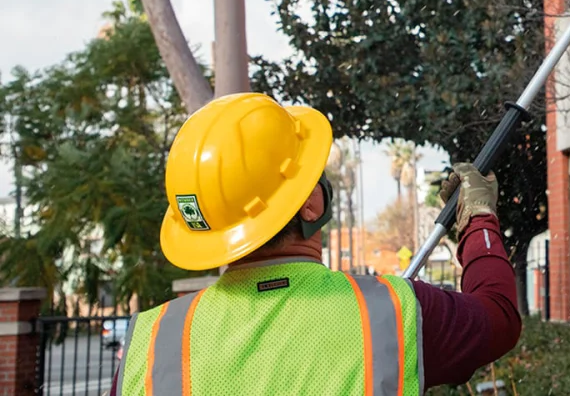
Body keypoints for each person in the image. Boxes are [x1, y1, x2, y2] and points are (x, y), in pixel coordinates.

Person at [111, 93, 521, 395]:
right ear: (312, 203)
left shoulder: (149, 344)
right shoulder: (392, 313)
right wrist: (479, 218)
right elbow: (499, 318)